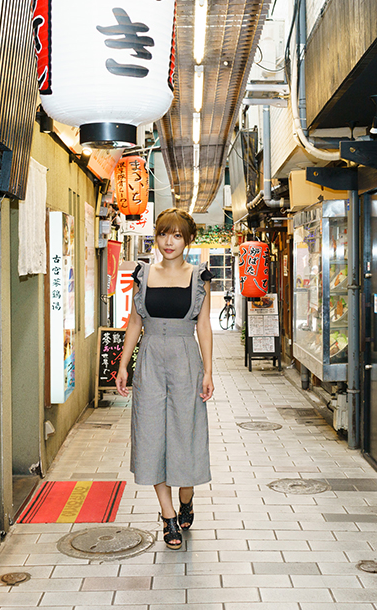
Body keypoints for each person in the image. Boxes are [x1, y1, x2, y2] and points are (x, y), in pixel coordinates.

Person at [115, 207, 214, 550]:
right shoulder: (143, 274)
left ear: (187, 240)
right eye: (163, 234)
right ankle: (168, 516)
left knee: (185, 436)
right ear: (155, 237)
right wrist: (124, 363)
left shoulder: (199, 276)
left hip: (187, 360)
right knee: (151, 433)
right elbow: (134, 322)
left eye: (176, 235)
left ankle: (186, 499)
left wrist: (209, 371)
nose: (168, 242)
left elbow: (203, 326)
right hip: (152, 360)